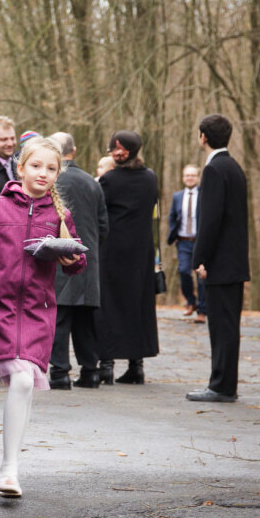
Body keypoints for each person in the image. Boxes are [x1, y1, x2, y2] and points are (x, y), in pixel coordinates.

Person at [0, 137, 85, 498]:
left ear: (57, 173)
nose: (43, 174)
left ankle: (9, 469)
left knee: (24, 382)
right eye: (36, 166)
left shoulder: (59, 216)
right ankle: (8, 467)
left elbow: (78, 263)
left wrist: (71, 258)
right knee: (21, 381)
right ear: (20, 168)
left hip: (38, 312)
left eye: (51, 168)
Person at [187, 114, 249, 403]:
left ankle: (221, 386)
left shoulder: (213, 170)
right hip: (234, 261)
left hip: (221, 264)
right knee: (228, 327)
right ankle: (225, 384)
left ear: (203, 136)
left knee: (221, 327)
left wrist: (201, 258)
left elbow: (211, 220)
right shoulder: (234, 167)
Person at [45, 132, 109, 389]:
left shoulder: (53, 180)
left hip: (60, 258)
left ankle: (60, 373)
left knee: (60, 317)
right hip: (89, 259)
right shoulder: (94, 184)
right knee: (85, 320)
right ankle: (90, 371)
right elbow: (104, 226)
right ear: (74, 150)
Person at [96, 130, 159, 385]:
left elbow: (99, 211)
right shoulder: (150, 178)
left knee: (109, 305)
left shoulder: (108, 180)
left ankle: (107, 364)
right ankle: (137, 365)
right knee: (138, 304)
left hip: (113, 250)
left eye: (119, 149)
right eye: (114, 148)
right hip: (141, 251)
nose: (116, 152)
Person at [168, 164, 206, 324]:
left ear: (197, 177)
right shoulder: (177, 196)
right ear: (183, 178)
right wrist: (173, 234)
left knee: (201, 276)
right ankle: (191, 302)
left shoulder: (204, 195)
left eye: (193, 175)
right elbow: (172, 217)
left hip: (199, 242)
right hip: (183, 241)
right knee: (183, 271)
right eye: (187, 175)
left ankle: (202, 311)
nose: (190, 178)